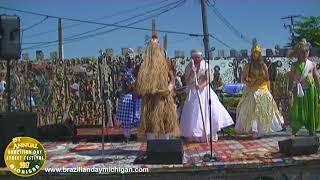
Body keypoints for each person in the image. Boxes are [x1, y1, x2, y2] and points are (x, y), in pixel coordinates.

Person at [180, 50, 234, 142]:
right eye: (195, 57)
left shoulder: (205, 65)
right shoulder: (189, 67)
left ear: (201, 57)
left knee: (208, 111)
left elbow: (208, 79)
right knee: (194, 114)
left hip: (204, 91)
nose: (197, 59)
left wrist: (200, 86)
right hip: (193, 93)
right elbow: (188, 81)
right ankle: (195, 135)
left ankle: (208, 134)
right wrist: (193, 72)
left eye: (198, 57)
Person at [135, 32, 179, 140]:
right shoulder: (143, 66)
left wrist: (169, 88)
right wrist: (148, 89)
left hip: (164, 100)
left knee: (165, 123)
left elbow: (173, 78)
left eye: (156, 45)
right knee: (150, 125)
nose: (154, 48)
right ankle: (152, 149)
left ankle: (165, 148)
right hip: (150, 101)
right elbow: (139, 84)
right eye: (151, 45)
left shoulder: (166, 63)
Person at [236, 39, 283, 138]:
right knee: (252, 110)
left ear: (260, 54)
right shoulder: (248, 66)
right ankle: (254, 130)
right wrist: (249, 81)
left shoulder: (264, 66)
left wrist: (269, 91)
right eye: (254, 53)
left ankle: (263, 129)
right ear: (251, 54)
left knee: (265, 110)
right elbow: (243, 78)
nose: (255, 55)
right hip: (252, 89)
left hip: (263, 90)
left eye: (257, 53)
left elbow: (267, 79)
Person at [288, 38, 320, 136]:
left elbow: (316, 78)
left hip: (311, 90)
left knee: (311, 109)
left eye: (307, 51)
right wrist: (289, 90)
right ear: (298, 52)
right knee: (297, 110)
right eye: (302, 51)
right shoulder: (294, 65)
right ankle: (295, 129)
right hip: (299, 91)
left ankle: (312, 129)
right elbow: (291, 79)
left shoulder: (312, 64)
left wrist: (319, 90)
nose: (305, 53)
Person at [116, 48, 141, 142]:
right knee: (127, 120)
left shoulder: (136, 70)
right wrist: (124, 81)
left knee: (137, 117)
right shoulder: (123, 70)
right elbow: (119, 81)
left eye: (132, 59)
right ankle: (127, 137)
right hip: (127, 95)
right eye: (129, 59)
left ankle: (139, 136)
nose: (130, 60)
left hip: (135, 95)